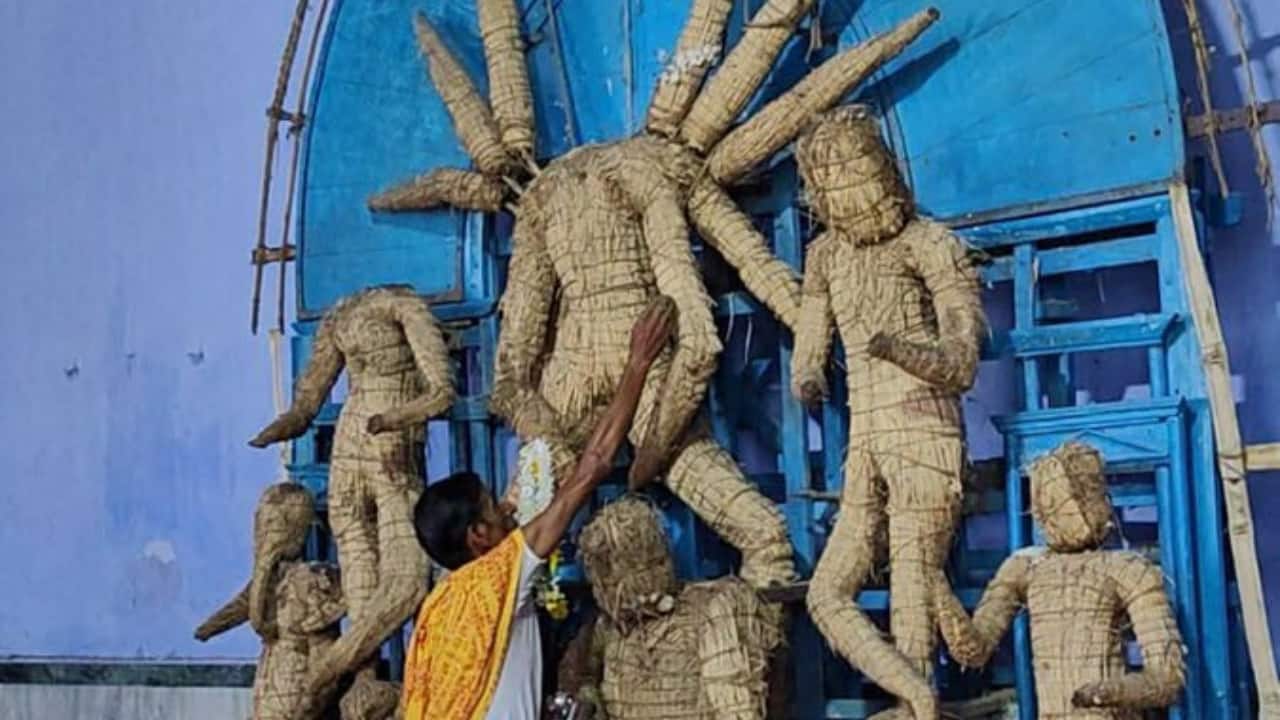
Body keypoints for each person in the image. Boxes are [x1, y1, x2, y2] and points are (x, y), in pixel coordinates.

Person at [400, 296, 677, 720]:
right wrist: (638, 362)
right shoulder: (499, 575)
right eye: (495, 510)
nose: (508, 514)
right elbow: (594, 465)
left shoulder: (437, 611)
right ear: (478, 536)